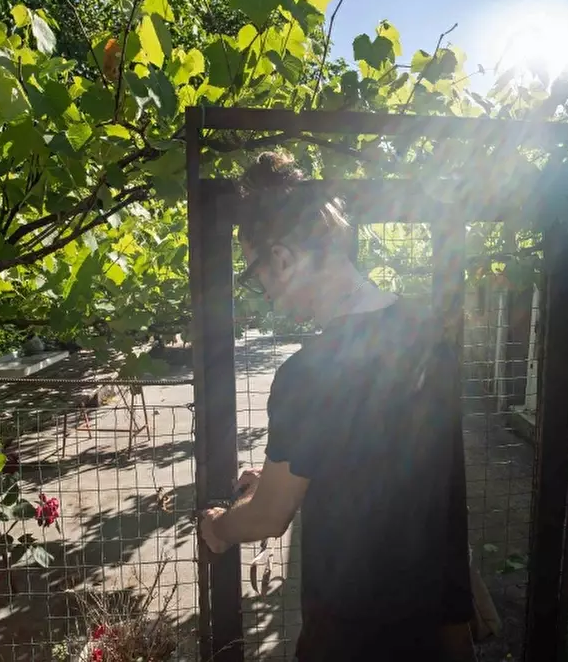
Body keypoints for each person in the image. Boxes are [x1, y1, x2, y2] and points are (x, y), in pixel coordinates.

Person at [199, 151, 475, 662]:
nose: (270, 298)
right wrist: (278, 476)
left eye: (258, 277)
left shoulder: (307, 375)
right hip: (431, 629)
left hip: (351, 635)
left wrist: (218, 527)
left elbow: (268, 518)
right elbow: (395, 469)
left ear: (282, 258)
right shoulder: (427, 336)